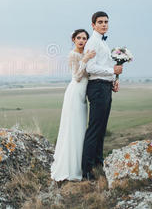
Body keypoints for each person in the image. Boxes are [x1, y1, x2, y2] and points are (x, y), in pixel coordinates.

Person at [50, 29, 96, 181]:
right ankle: (70, 168)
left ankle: (80, 165)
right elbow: (76, 77)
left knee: (81, 129)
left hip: (83, 95)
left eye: (84, 38)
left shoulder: (86, 54)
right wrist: (85, 60)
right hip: (75, 93)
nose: (82, 41)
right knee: (73, 128)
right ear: (73, 39)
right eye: (79, 38)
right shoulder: (73, 55)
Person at [81, 11, 122, 181]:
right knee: (94, 129)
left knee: (101, 129)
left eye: (106, 21)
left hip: (105, 86)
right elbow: (90, 68)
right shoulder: (92, 42)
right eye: (100, 22)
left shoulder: (103, 43)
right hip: (97, 88)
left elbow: (104, 66)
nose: (104, 24)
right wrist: (111, 71)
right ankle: (86, 171)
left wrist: (113, 79)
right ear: (93, 25)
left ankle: (98, 164)